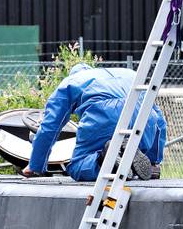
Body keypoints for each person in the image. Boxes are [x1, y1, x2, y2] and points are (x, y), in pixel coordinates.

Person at [22, 62, 166, 182]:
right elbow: (159, 120)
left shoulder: (70, 83)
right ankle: (134, 160)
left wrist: (36, 165)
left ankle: (104, 160)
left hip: (104, 114)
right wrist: (153, 161)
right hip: (143, 118)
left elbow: (49, 127)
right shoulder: (128, 73)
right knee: (133, 151)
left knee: (77, 166)